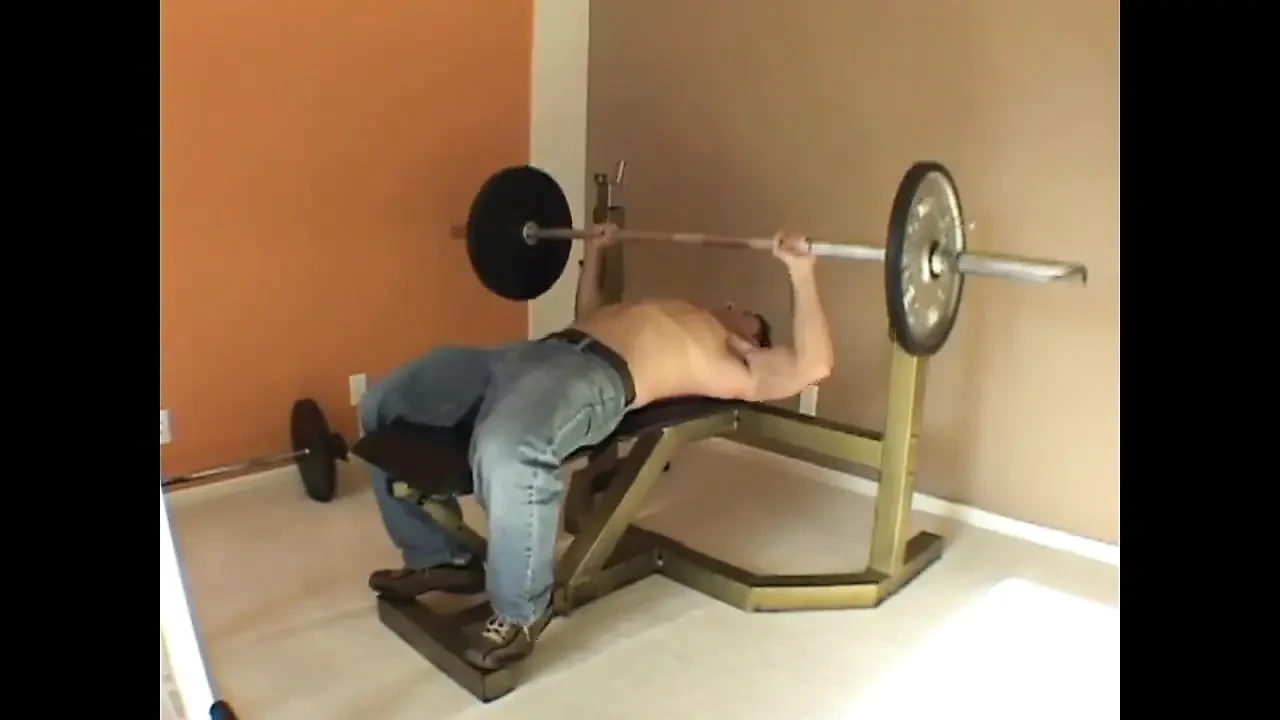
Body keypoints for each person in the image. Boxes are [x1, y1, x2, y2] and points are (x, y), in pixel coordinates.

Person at [361, 225, 834, 671]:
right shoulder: (675, 308)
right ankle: (439, 557)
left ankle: (520, 611)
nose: (731, 304)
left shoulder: (736, 360)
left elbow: (812, 365)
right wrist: (597, 251)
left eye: (747, 312)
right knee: (384, 402)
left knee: (508, 447)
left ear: (755, 338)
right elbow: (588, 312)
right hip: (531, 352)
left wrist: (801, 271)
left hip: (592, 377)